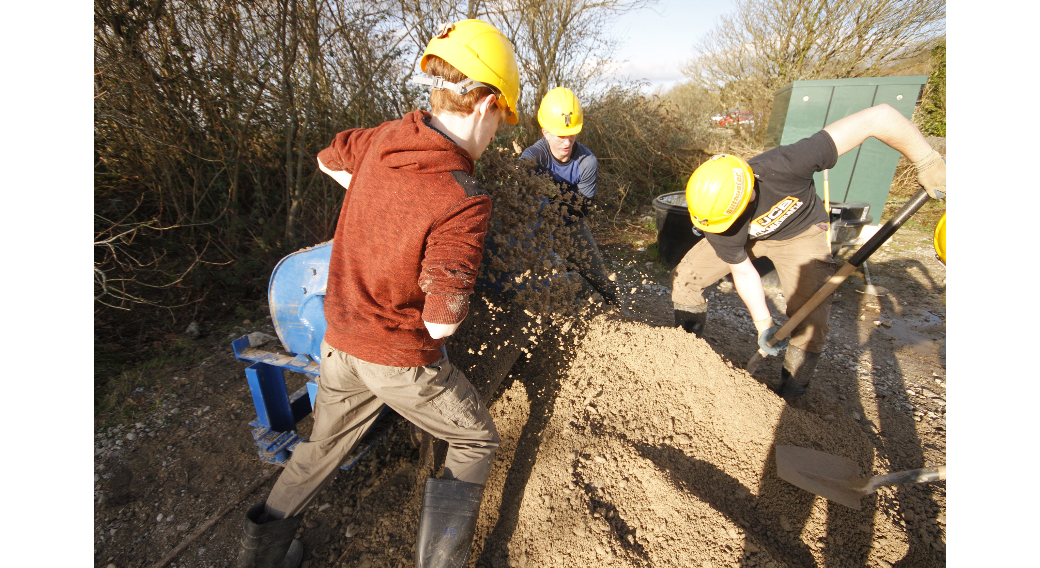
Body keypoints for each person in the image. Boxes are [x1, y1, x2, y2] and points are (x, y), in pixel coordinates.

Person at [235, 20, 520, 568]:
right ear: (485, 108)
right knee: (477, 440)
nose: (495, 136)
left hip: (339, 342)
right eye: (501, 123)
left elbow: (326, 157)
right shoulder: (464, 196)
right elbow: (440, 324)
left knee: (320, 449)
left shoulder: (386, 137)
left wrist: (378, 210)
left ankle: (257, 560)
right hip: (396, 357)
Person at [671, 103, 946, 399]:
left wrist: (927, 160)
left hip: (800, 235)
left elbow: (878, 118)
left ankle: (790, 393)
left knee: (811, 320)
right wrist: (764, 324)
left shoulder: (789, 163)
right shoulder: (717, 220)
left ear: (749, 193)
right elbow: (742, 270)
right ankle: (688, 358)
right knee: (686, 278)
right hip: (752, 237)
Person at [520, 87, 627, 312]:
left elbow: (581, 210)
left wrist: (555, 203)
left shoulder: (587, 161)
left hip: (571, 223)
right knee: (537, 276)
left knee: (598, 273)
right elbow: (521, 207)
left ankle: (617, 310)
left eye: (572, 134)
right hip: (537, 227)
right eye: (560, 135)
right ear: (545, 132)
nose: (566, 142)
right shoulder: (532, 159)